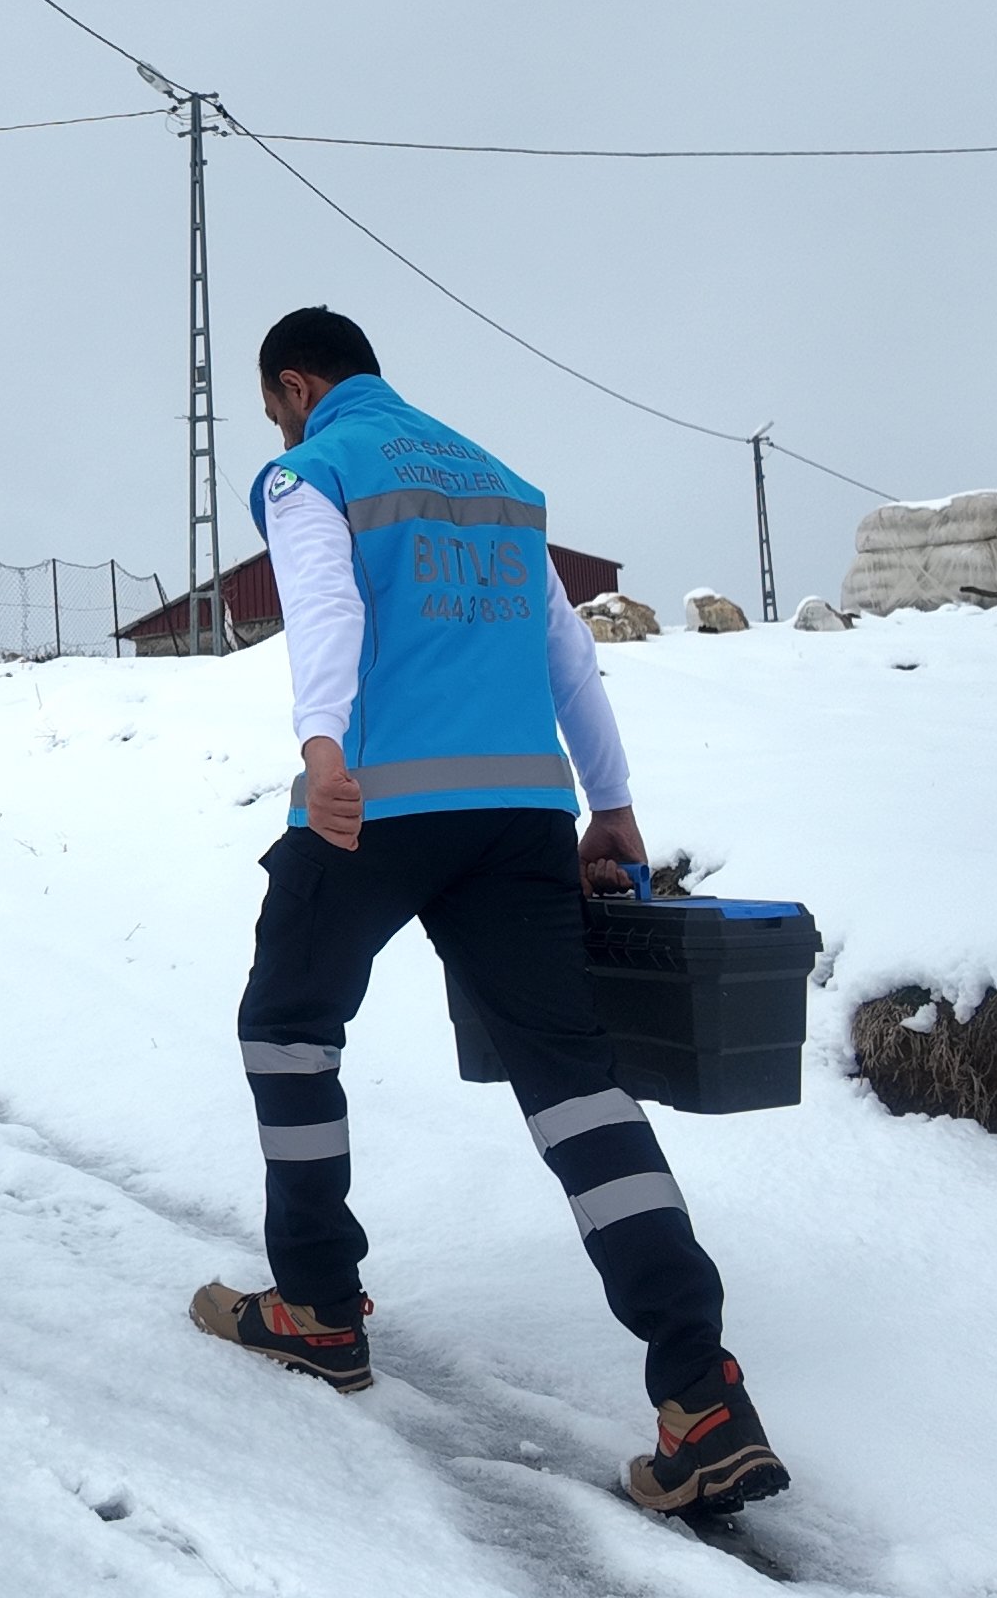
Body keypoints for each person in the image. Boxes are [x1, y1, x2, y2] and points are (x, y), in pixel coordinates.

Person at [187, 306, 788, 1518]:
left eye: (271, 403)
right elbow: (565, 646)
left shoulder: (312, 469)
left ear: (295, 386)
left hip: (377, 807)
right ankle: (701, 1391)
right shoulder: (498, 482)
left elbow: (322, 601)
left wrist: (321, 746)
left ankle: (316, 1307)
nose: (275, 421)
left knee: (288, 1027)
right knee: (575, 1079)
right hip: (518, 816)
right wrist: (610, 802)